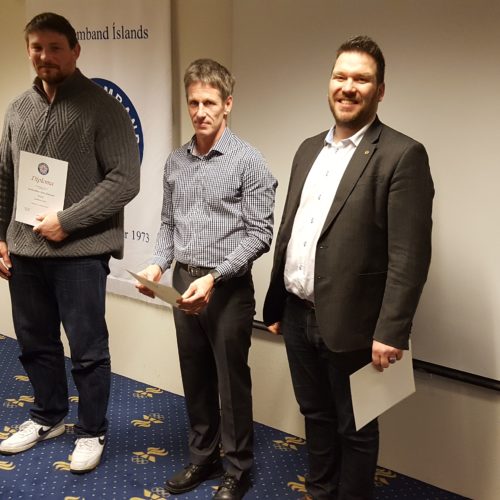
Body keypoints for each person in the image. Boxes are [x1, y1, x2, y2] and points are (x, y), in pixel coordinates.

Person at [263, 36, 434, 500]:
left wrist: (392, 330)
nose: (348, 87)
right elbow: (293, 231)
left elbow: (409, 255)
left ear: (380, 91)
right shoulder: (307, 149)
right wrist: (277, 302)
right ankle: (319, 492)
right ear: (329, 83)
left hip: (357, 324)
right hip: (297, 314)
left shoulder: (402, 155)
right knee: (315, 416)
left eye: (362, 79)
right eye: (340, 76)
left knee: (355, 428)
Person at [0, 12, 140, 473]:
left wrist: (68, 221)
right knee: (35, 343)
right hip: (24, 252)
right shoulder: (17, 108)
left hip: (79, 253)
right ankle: (48, 416)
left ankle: (92, 429)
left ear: (75, 50)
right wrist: (0, 236)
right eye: (37, 48)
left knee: (87, 349)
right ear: (29, 51)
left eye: (55, 48)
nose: (46, 56)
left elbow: (125, 179)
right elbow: (4, 177)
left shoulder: (103, 107)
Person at [136, 59, 276, 499]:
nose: (200, 111)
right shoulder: (175, 161)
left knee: (231, 383)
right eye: (193, 102)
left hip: (227, 289)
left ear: (227, 104)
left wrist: (215, 276)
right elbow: (168, 224)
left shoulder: (249, 161)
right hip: (183, 283)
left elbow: (260, 234)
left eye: (210, 103)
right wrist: (157, 265)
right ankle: (203, 457)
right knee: (195, 375)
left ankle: (237, 468)